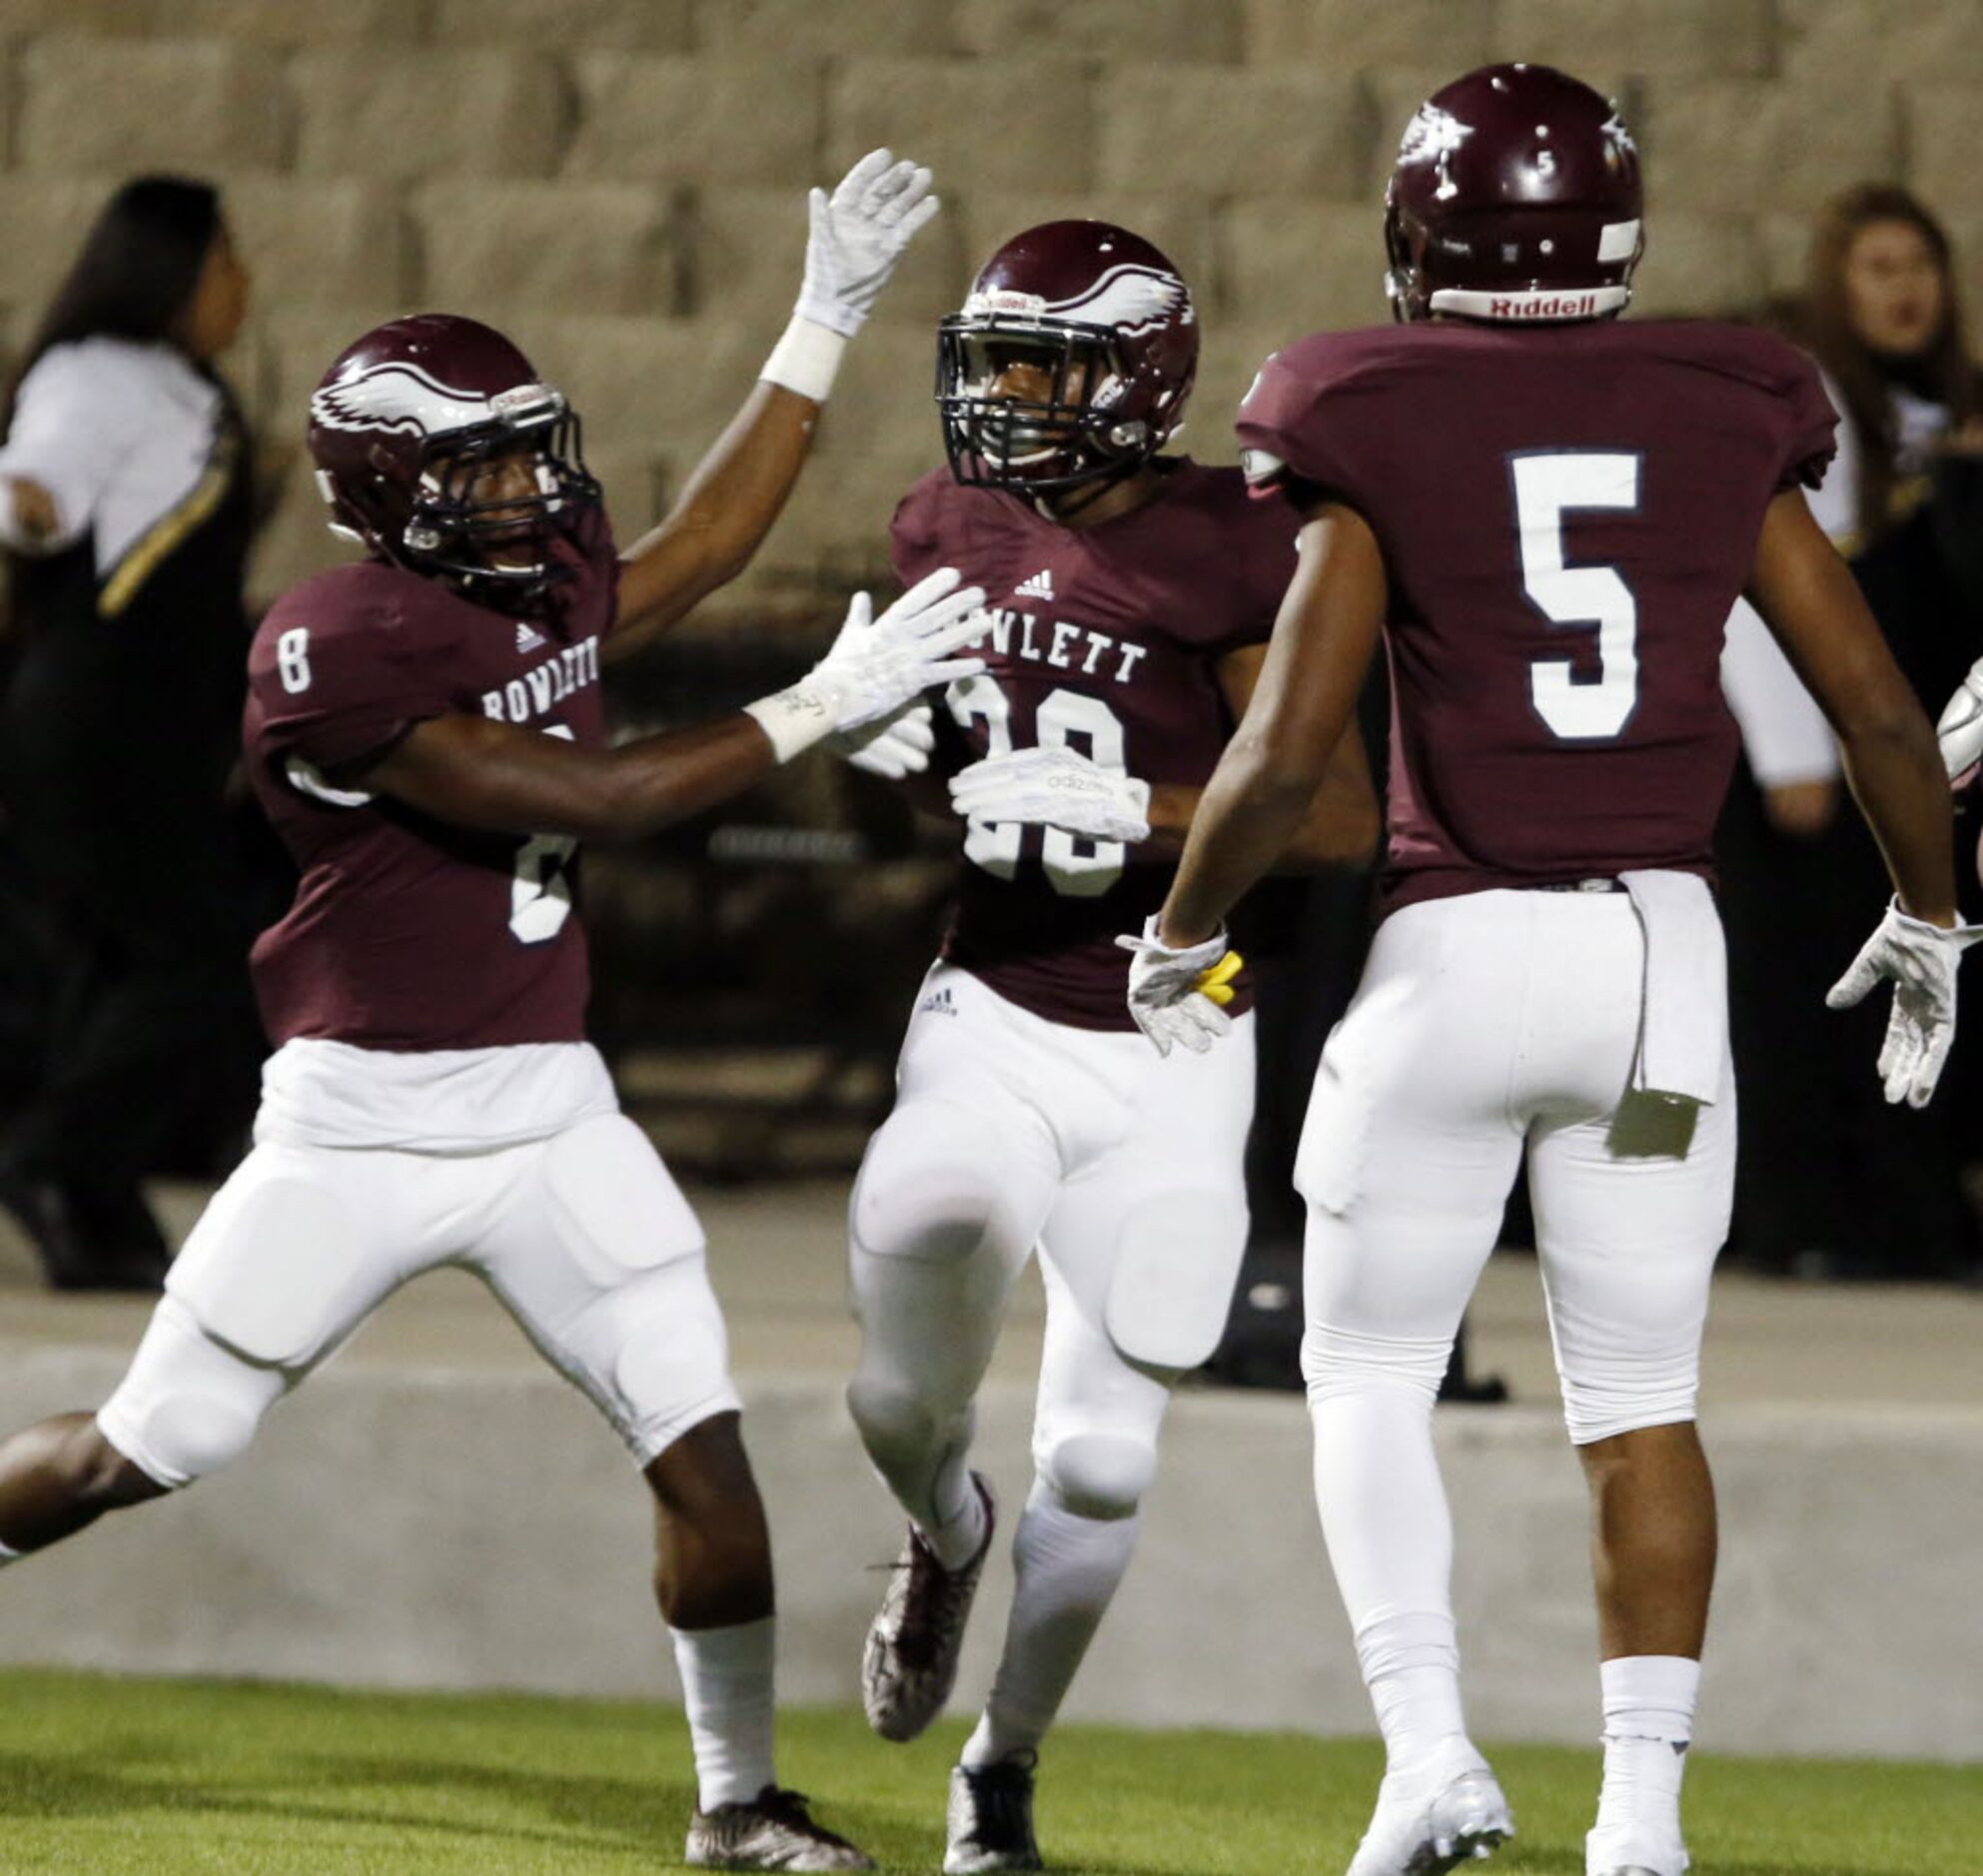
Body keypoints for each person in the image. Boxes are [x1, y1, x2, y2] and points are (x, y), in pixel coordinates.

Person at [0, 152, 986, 1872]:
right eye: (488, 462)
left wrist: (823, 318)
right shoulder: (336, 643)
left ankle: (737, 1803)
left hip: (544, 1103)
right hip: (358, 1119)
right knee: (149, 1444)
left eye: (536, 444)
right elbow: (591, 798)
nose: (537, 486)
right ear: (392, 491)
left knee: (703, 1450)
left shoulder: (531, 572)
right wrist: (823, 699)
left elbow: (694, 547)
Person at [1123, 66, 1973, 1876]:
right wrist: (1935, 909)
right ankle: (1642, 1818)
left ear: (1419, 235)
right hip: (1662, 969)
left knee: (1362, 1367)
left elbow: (1280, 754)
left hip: (1455, 953)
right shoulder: (1725, 394)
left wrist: (1182, 929)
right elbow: (1882, 704)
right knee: (1643, 1398)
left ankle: (1428, 1756)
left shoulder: (1360, 402)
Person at [834, 221, 1378, 1874]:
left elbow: (1342, 815)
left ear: (1139, 379)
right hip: (989, 1001)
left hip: (1177, 1026)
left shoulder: (1238, 544)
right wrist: (872, 722)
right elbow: (926, 767)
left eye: (1038, 364)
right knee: (894, 1377)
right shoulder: (947, 518)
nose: (1001, 396)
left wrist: (1142, 808)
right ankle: (942, 1525)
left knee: (1108, 1450)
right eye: (992, 359)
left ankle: (998, 1769)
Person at [0, 175, 261, 1290]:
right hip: (99, 719)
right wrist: (26, 502)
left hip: (156, 725)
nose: (240, 288)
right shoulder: (94, 372)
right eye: (224, 264)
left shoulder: (174, 384)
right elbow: (33, 482)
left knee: (122, 965)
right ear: (172, 272)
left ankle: (93, 1193)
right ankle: (58, 1162)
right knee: (195, 959)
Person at [1718, 184, 1983, 1279]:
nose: (1904, 289)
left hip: (1885, 753)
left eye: (1916, 265)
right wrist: (1792, 752)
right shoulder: (1808, 387)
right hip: (1816, 759)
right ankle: (1807, 1217)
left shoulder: (1920, 403)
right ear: (1835, 283)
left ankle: (1892, 1211)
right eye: (1876, 269)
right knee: (1809, 991)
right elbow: (1762, 579)